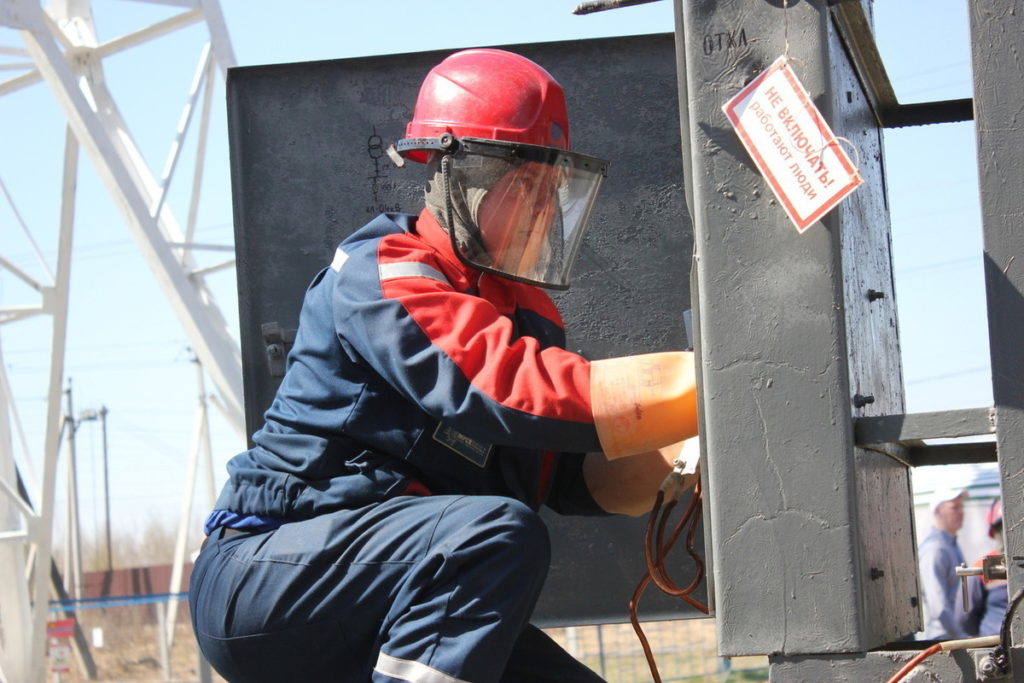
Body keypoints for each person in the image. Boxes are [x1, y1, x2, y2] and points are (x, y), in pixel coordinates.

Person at [189, 48, 700, 683]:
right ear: (462, 178)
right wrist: (718, 380)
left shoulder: (525, 315)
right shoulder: (387, 272)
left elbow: (569, 474)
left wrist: (689, 455)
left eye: (554, 192)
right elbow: (506, 388)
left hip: (395, 589)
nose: (543, 212)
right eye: (525, 187)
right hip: (268, 574)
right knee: (492, 535)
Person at [918, 487, 969, 640]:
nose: (961, 512)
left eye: (961, 507)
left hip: (950, 637)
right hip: (941, 640)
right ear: (938, 511)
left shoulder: (950, 544)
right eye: (955, 507)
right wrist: (960, 637)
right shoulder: (935, 549)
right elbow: (938, 606)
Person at [962, 497, 1008, 637]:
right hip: (996, 646)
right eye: (1001, 528)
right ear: (994, 532)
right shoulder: (982, 568)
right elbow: (965, 618)